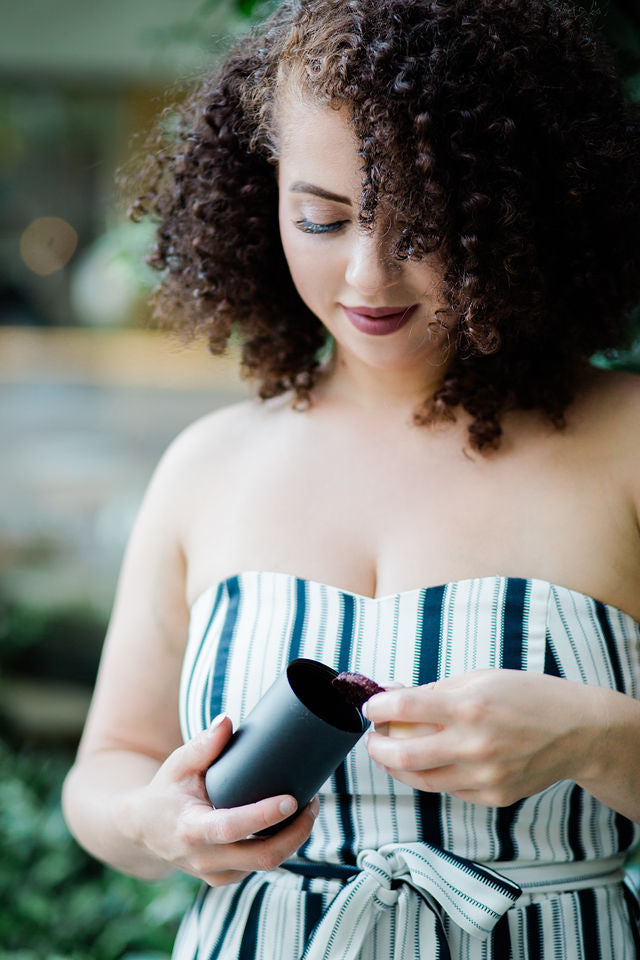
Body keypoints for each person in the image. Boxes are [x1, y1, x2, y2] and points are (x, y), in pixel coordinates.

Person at [62, 0, 640, 956]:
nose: (370, 276)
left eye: (425, 225)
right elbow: (105, 773)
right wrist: (155, 823)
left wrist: (595, 736)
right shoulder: (208, 465)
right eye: (322, 220)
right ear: (264, 199)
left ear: (522, 211)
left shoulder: (624, 443)